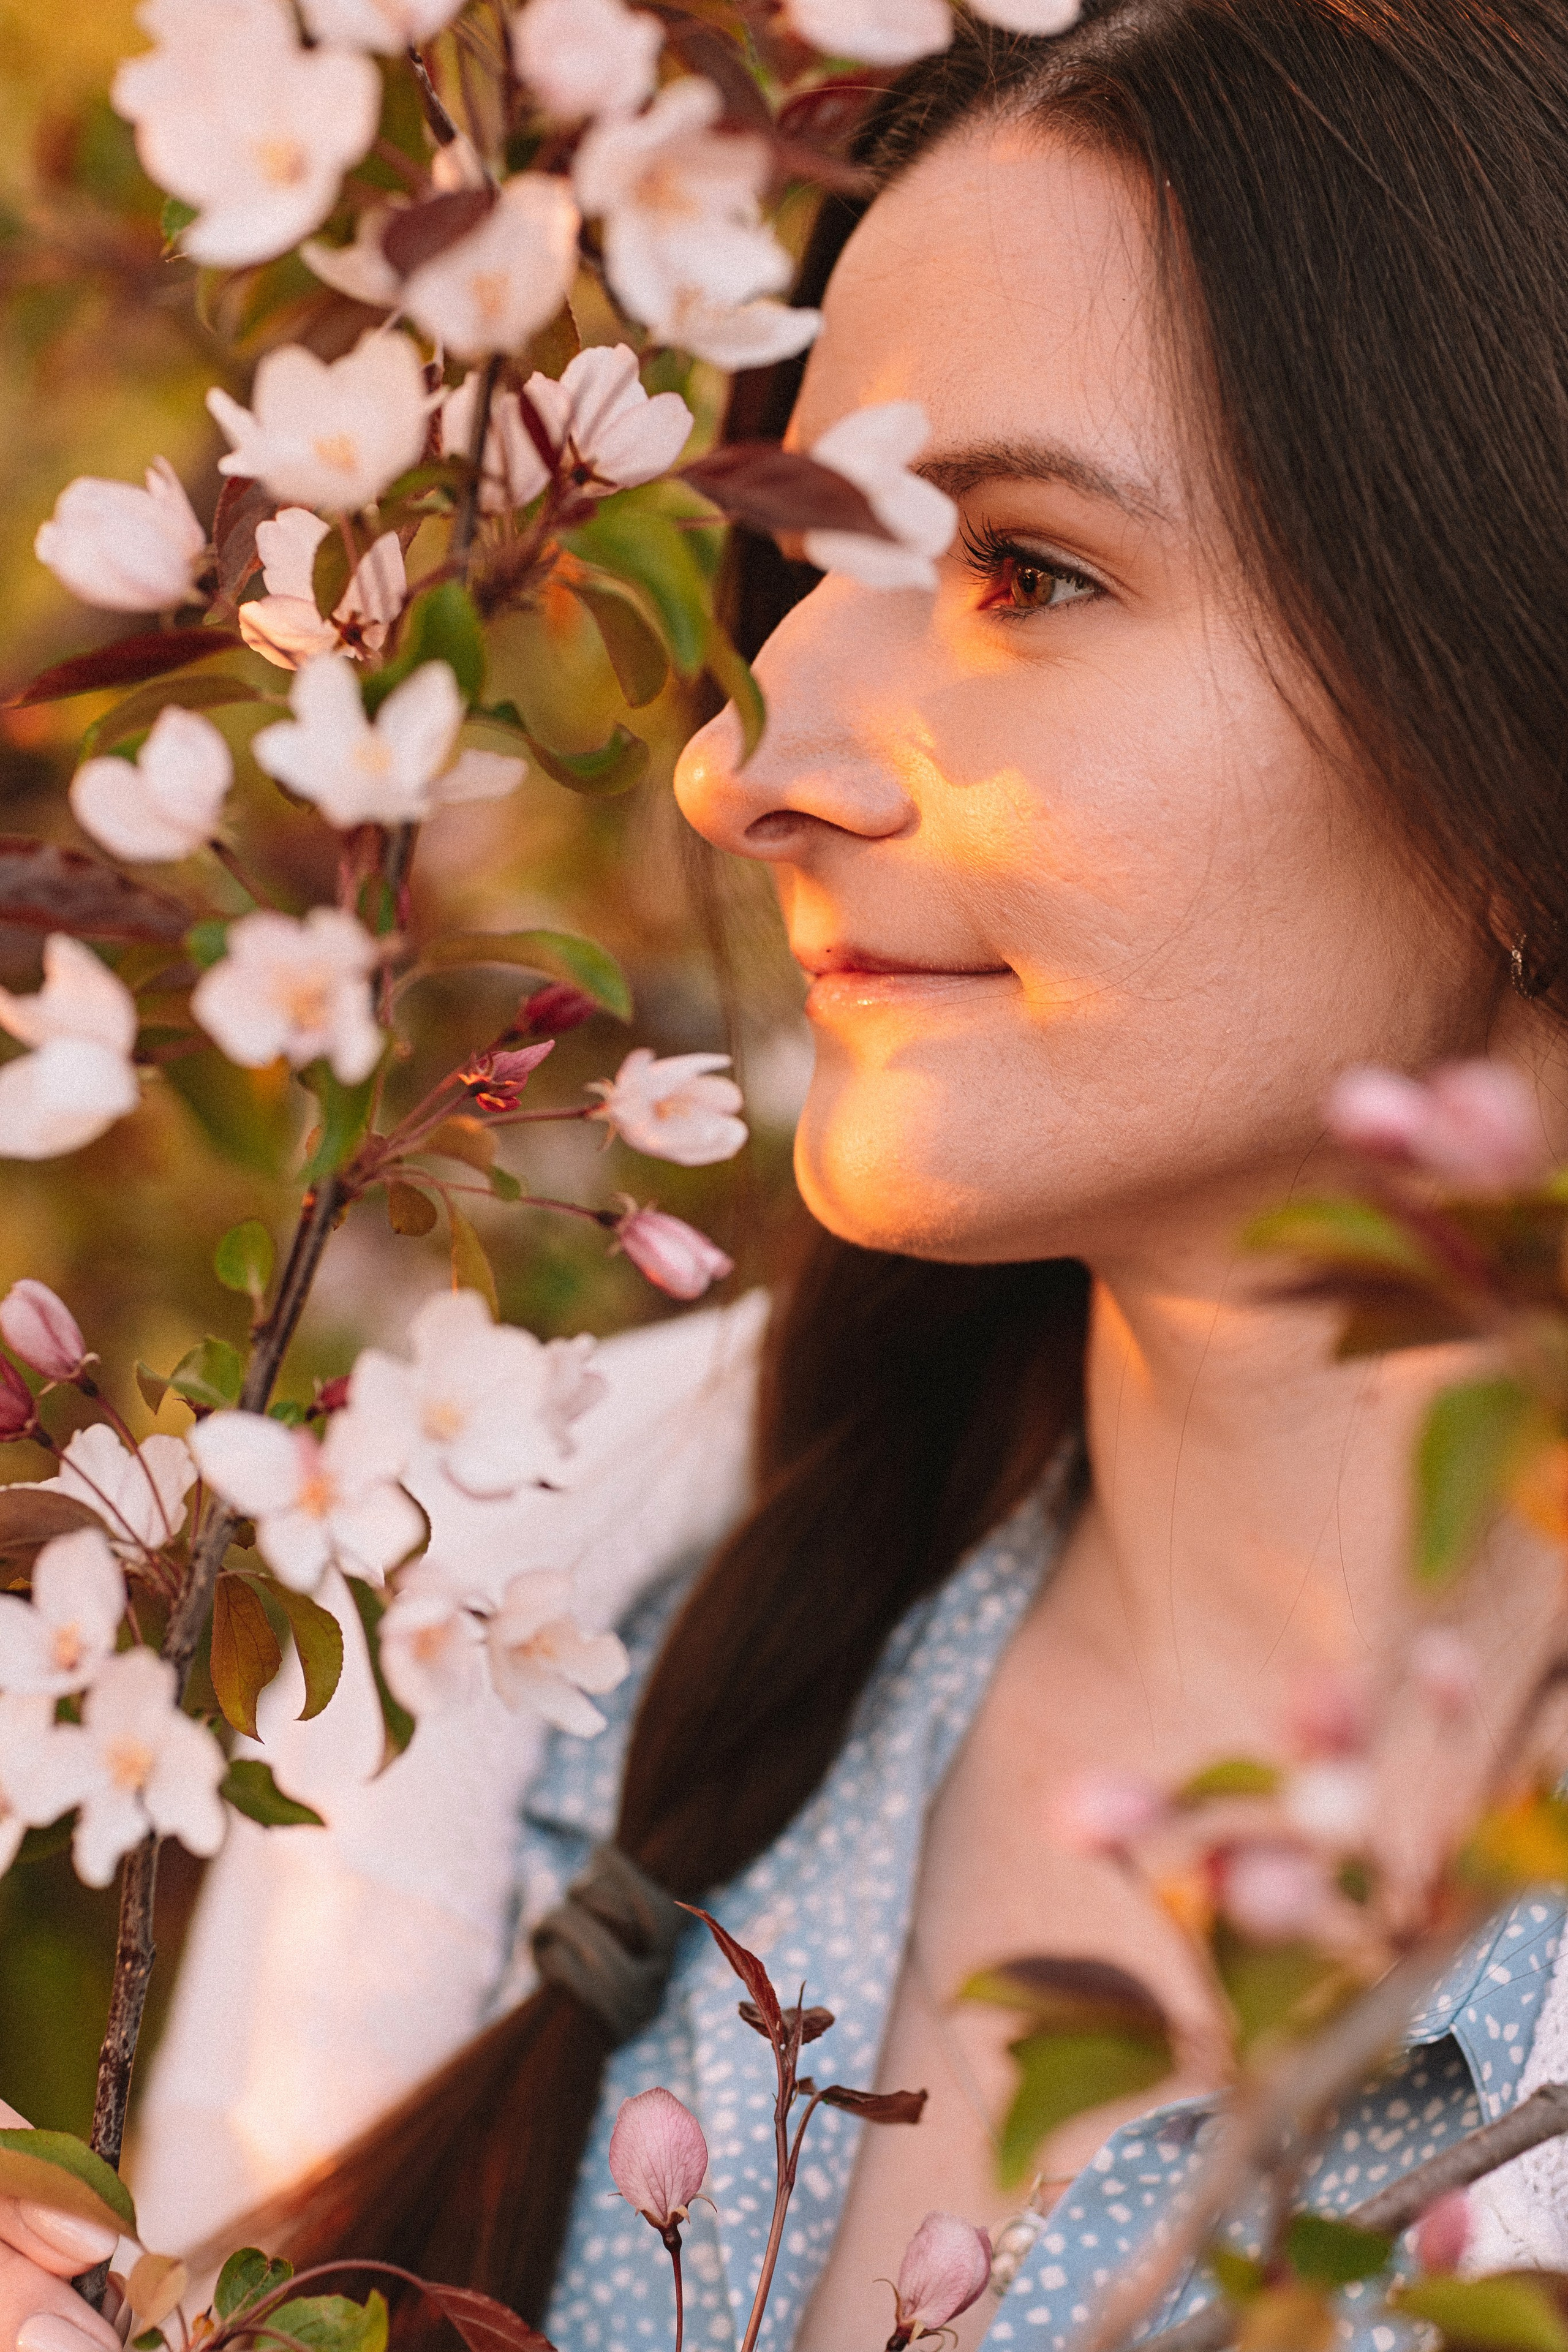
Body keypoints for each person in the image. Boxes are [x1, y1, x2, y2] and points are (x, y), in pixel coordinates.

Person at [7, 2, 1568, 2349]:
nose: (751, 761)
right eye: (805, 570)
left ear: (1503, 693)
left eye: (1030, 574)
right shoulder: (528, 1659)